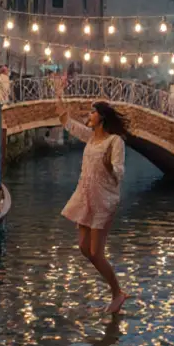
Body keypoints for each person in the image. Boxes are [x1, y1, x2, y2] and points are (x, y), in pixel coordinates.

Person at [59, 101, 130, 314]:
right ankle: (117, 291)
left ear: (102, 117)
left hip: (103, 199)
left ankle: (117, 293)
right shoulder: (90, 137)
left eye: (93, 112)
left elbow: (120, 171)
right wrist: (62, 110)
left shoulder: (115, 141)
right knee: (83, 247)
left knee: (96, 252)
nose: (89, 115)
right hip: (85, 196)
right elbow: (71, 126)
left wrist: (110, 167)